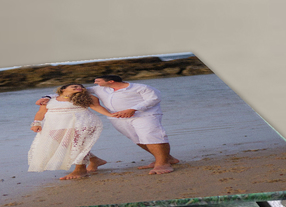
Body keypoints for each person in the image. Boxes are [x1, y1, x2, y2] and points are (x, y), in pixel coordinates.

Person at [37, 74, 180, 175]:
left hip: (144, 115)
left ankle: (162, 163)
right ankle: (168, 158)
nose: (95, 83)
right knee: (138, 139)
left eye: (98, 81)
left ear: (110, 81)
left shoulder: (140, 87)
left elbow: (154, 99)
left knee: (150, 135)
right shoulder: (100, 89)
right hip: (118, 118)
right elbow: (67, 92)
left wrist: (133, 109)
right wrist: (47, 97)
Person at [28, 83, 116, 180]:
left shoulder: (86, 97)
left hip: (81, 123)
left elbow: (96, 107)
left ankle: (80, 169)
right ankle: (94, 160)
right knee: (68, 145)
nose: (79, 88)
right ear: (63, 89)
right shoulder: (49, 99)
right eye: (75, 87)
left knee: (78, 145)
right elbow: (41, 112)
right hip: (56, 126)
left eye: (81, 87)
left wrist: (110, 115)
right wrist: (36, 123)